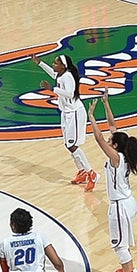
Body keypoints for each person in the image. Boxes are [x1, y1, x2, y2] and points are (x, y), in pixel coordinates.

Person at [90, 100, 137, 272]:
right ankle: (128, 268)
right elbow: (113, 127)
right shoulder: (124, 153)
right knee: (124, 242)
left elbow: (99, 139)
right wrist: (106, 104)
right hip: (128, 201)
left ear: (115, 146)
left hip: (120, 206)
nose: (109, 139)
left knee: (119, 245)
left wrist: (92, 117)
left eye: (112, 141)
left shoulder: (117, 158)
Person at [48, 55, 94, 190]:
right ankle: (82, 171)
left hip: (74, 112)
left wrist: (52, 89)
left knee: (72, 145)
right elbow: (53, 74)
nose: (53, 65)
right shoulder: (61, 75)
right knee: (68, 145)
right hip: (66, 113)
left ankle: (91, 173)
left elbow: (69, 93)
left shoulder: (68, 76)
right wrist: (39, 63)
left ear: (63, 66)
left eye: (56, 63)